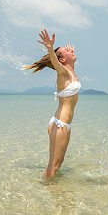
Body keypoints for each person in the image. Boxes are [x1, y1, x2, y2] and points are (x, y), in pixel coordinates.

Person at [22, 29, 80, 179]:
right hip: (59, 124)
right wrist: (50, 48)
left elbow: (66, 63)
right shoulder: (62, 72)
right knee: (52, 166)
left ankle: (55, 195)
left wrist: (69, 55)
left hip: (67, 125)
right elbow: (56, 62)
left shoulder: (71, 73)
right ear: (61, 60)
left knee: (59, 162)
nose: (71, 50)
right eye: (67, 51)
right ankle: (47, 190)